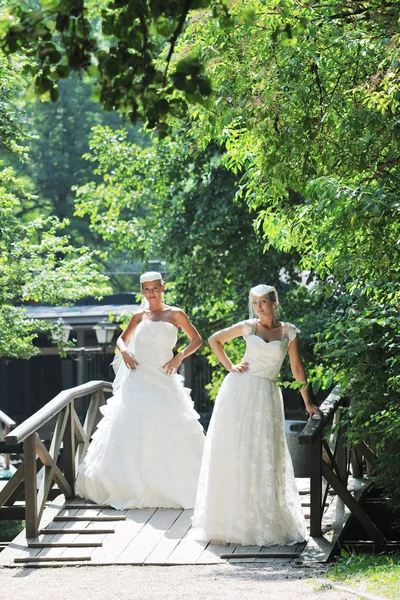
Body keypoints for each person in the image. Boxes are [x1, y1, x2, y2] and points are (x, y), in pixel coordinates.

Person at [193, 284, 322, 546]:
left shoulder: (288, 332)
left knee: (263, 453)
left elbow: (297, 367)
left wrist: (308, 402)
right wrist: (230, 365)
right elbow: (214, 340)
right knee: (236, 451)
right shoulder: (248, 327)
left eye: (263, 302)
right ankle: (230, 521)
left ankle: (263, 519)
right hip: (239, 391)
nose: (259, 307)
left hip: (266, 395)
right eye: (255, 302)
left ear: (275, 303)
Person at [76, 271, 205, 510]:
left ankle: (169, 487)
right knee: (132, 427)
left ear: (162, 287)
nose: (151, 293)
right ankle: (129, 487)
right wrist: (124, 351)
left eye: (155, 288)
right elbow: (121, 340)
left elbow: (196, 339)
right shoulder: (139, 315)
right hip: (138, 379)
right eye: (146, 289)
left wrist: (179, 357)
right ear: (142, 291)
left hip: (164, 377)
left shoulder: (176, 313)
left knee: (168, 426)